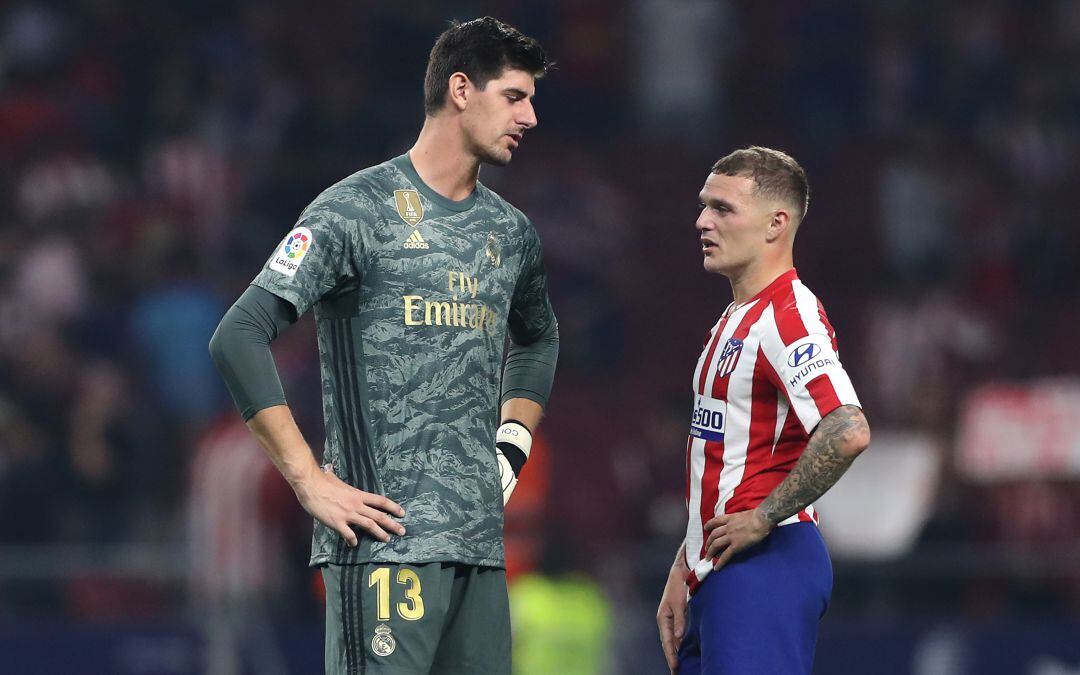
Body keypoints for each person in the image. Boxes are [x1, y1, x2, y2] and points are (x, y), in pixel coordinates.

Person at [209, 17, 558, 675]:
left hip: (481, 554)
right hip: (383, 553)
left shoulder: (511, 234)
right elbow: (239, 333)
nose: (531, 116)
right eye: (515, 96)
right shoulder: (353, 211)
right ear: (461, 89)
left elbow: (539, 338)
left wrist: (511, 446)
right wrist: (308, 479)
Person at [655, 147, 871, 674]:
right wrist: (687, 562)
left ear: (776, 224)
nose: (702, 220)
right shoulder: (735, 317)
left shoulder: (787, 317)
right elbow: (724, 456)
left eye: (723, 208)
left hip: (766, 564)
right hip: (719, 568)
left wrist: (764, 517)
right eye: (704, 205)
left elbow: (848, 429)